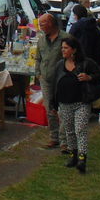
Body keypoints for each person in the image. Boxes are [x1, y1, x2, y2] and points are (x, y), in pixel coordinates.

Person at [50, 36, 100, 173]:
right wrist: (53, 104)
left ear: (74, 50)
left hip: (81, 102)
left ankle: (82, 158)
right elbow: (54, 85)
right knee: (69, 131)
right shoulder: (59, 65)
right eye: (62, 48)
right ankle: (73, 155)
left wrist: (89, 77)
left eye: (66, 48)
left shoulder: (86, 63)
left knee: (80, 129)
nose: (63, 50)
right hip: (64, 103)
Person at [34, 13, 64, 149]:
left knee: (63, 109)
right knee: (49, 109)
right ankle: (54, 137)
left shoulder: (65, 38)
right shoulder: (41, 40)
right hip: (45, 79)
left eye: (42, 24)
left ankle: (65, 139)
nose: (40, 27)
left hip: (61, 80)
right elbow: (38, 58)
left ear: (51, 23)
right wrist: (38, 73)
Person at [69, 5, 100, 69]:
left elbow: (69, 42)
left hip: (79, 61)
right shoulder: (96, 27)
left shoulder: (75, 27)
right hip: (95, 60)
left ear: (76, 15)